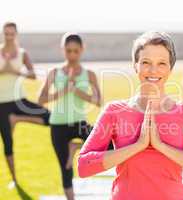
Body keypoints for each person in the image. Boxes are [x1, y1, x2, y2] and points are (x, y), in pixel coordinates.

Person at [77, 31, 183, 200]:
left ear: (170, 67)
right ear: (135, 65)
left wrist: (161, 146)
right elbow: (84, 167)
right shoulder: (114, 111)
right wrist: (138, 145)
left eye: (161, 63)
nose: (153, 70)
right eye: (146, 62)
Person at [38, 33, 113, 200]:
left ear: (82, 50)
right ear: (62, 50)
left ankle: (75, 147)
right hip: (58, 125)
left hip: (79, 123)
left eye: (75, 51)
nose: (72, 55)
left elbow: (98, 101)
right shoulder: (55, 72)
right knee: (66, 169)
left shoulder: (89, 74)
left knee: (110, 145)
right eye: (68, 51)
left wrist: (76, 90)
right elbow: (41, 99)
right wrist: (64, 90)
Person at [0, 22, 50, 188]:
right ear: (2, 34)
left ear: (16, 34)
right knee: (8, 143)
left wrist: (16, 71)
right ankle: (14, 180)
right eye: (6, 33)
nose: (8, 37)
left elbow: (33, 75)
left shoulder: (22, 53)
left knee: (50, 117)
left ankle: (18, 119)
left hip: (20, 100)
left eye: (11, 34)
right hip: (2, 104)